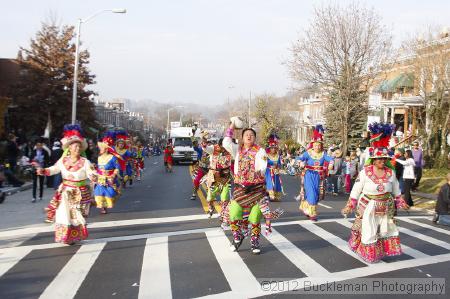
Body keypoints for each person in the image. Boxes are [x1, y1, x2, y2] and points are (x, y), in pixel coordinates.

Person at [342, 122, 409, 263]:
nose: (382, 161)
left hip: (386, 206)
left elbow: (396, 190)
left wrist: (401, 202)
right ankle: (369, 254)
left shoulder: (391, 172)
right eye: (379, 159)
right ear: (373, 159)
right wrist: (350, 205)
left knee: (385, 229)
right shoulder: (365, 172)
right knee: (369, 229)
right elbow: (356, 190)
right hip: (368, 205)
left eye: (384, 159)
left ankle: (382, 250)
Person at [38, 125, 96, 244]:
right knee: (63, 214)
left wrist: (95, 176)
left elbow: (91, 173)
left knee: (76, 216)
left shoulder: (85, 162)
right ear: (69, 148)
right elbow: (54, 169)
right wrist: (44, 171)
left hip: (79, 193)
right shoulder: (63, 161)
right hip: (64, 192)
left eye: (79, 146)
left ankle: (74, 236)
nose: (77, 148)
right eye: (75, 146)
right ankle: (65, 236)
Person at [223, 117, 269, 255]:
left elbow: (263, 168)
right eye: (246, 135)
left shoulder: (261, 151)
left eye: (251, 135)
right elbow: (226, 142)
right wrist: (232, 125)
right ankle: (238, 237)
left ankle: (254, 241)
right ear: (242, 138)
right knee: (234, 212)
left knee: (255, 217)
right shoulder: (237, 149)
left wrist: (254, 177)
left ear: (255, 138)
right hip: (240, 189)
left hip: (256, 190)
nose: (249, 136)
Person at [295, 125, 334, 221]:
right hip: (309, 175)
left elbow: (331, 159)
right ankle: (312, 214)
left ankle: (307, 209)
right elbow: (298, 158)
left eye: (319, 145)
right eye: (316, 145)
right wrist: (301, 163)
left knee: (315, 194)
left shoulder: (323, 154)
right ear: (313, 144)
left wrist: (331, 164)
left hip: (319, 177)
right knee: (311, 193)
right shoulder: (308, 153)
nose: (317, 146)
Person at [204, 138, 232, 222]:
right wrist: (204, 144)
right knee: (209, 198)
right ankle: (211, 207)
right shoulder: (214, 149)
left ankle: (223, 214)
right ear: (219, 145)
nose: (224, 148)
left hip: (225, 178)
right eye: (222, 146)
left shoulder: (231, 151)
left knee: (225, 198)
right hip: (214, 177)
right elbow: (206, 148)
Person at [94, 133, 121, 214]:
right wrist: (94, 168)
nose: (100, 149)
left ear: (106, 149)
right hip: (100, 178)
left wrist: (113, 175)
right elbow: (98, 168)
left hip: (109, 178)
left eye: (101, 148)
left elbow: (117, 167)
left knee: (109, 193)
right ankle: (102, 207)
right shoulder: (99, 157)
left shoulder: (113, 158)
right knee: (99, 192)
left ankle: (106, 206)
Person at [190, 132, 210, 200]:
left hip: (210, 169)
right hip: (202, 168)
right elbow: (195, 147)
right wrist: (193, 138)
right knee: (196, 180)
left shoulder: (212, 149)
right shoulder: (200, 149)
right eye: (203, 142)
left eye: (206, 142)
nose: (205, 144)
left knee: (211, 183)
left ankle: (211, 196)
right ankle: (194, 193)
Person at [265, 134, 283, 202]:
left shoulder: (278, 156)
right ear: (269, 148)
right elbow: (263, 164)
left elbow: (279, 164)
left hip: (276, 171)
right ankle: (270, 195)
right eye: (272, 148)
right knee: (270, 183)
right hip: (268, 171)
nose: (273, 149)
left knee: (277, 183)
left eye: (274, 148)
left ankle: (276, 195)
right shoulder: (266, 156)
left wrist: (278, 168)